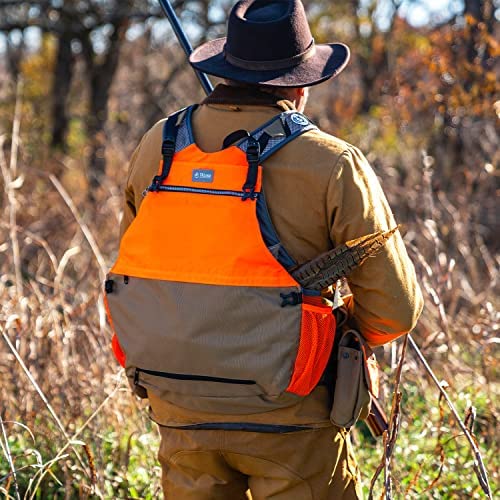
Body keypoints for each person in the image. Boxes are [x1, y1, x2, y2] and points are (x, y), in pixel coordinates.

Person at [115, 0, 423, 498]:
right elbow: (395, 312)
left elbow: (137, 261)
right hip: (291, 411)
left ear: (226, 67)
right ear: (301, 85)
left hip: (176, 405)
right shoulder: (332, 163)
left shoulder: (160, 144)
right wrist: (335, 330)